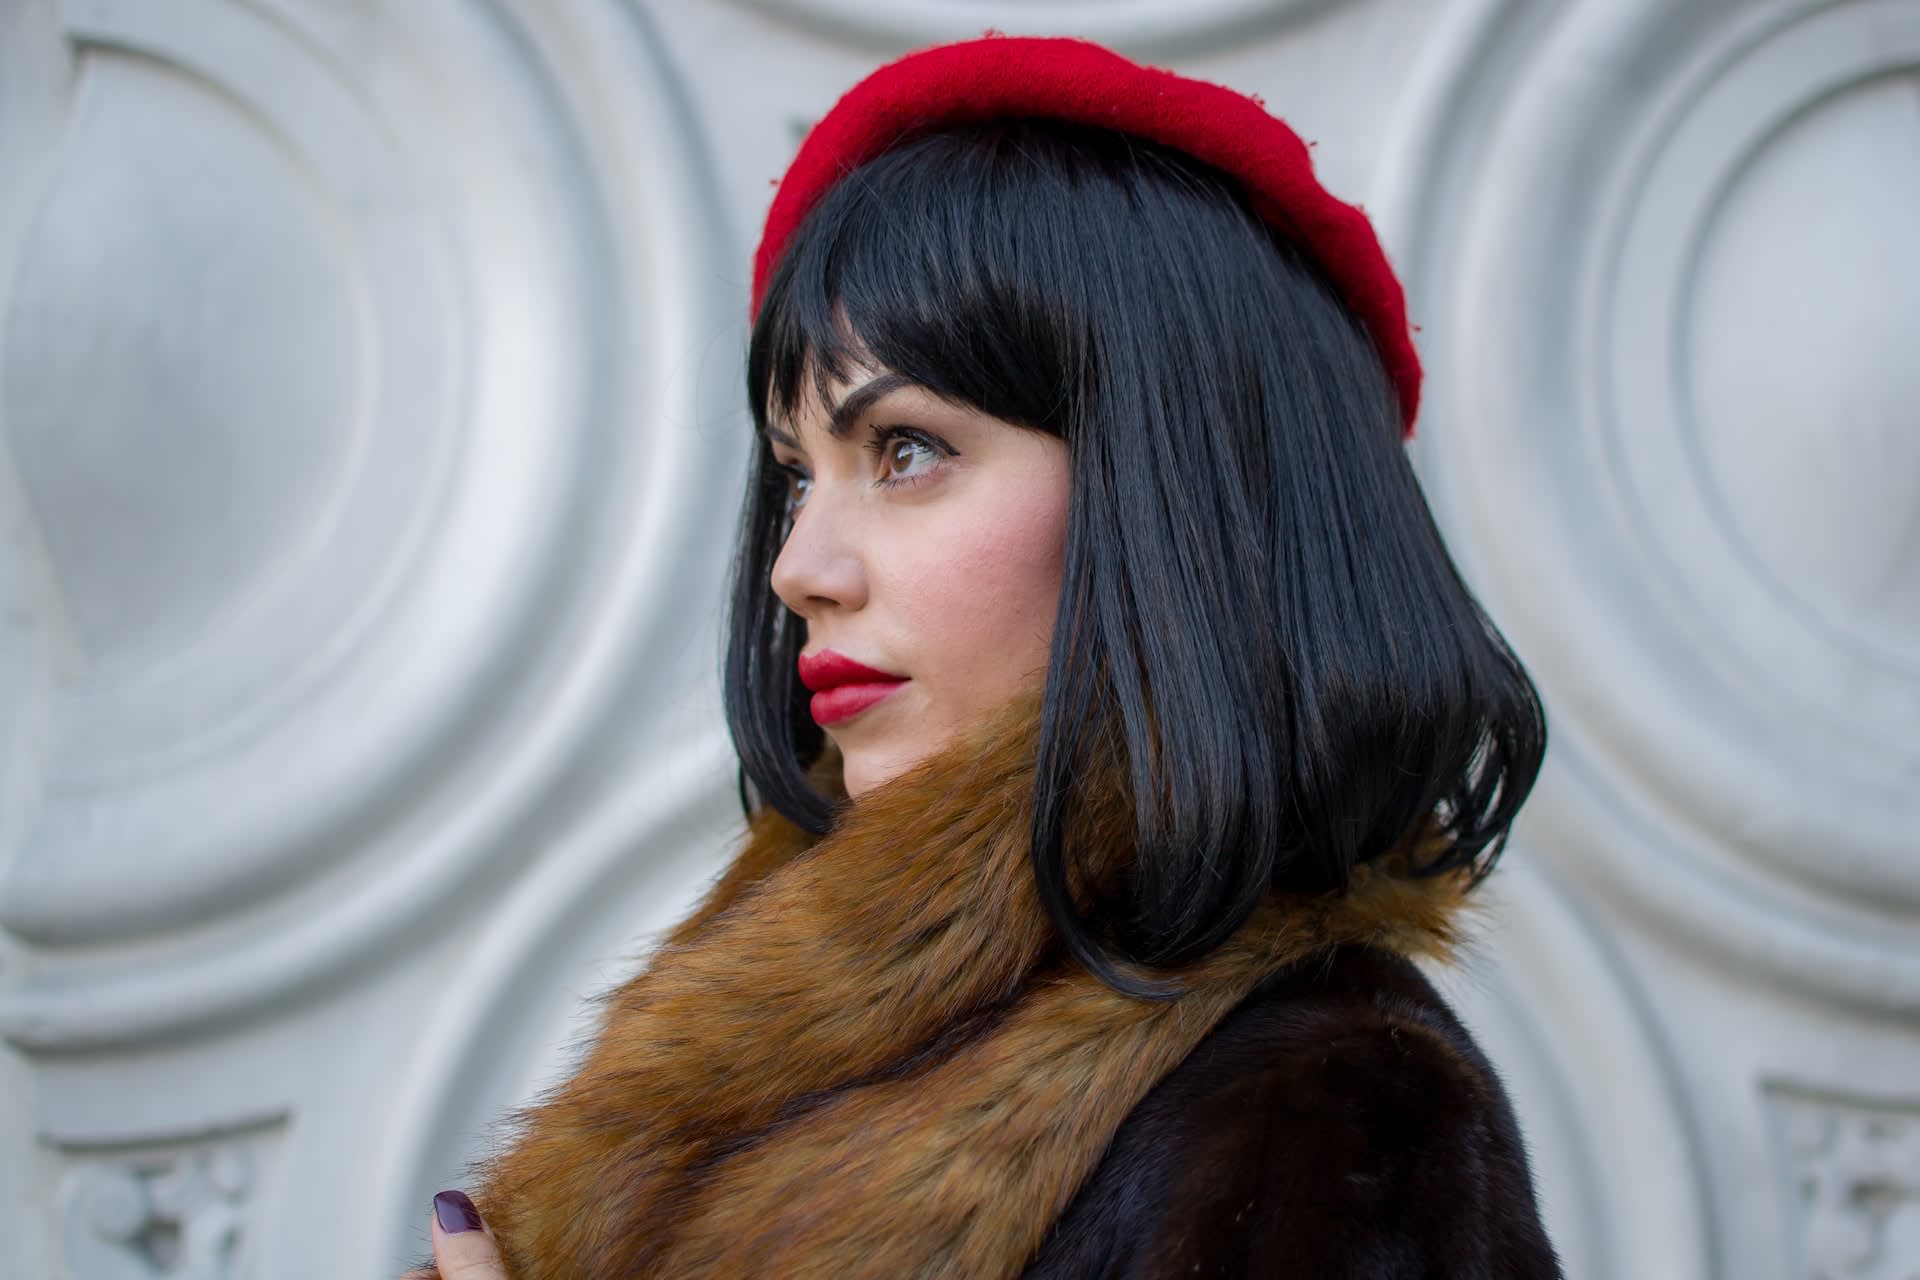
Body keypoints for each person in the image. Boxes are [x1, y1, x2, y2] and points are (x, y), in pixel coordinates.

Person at [410, 33, 1561, 1280]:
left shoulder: (1335, 1119)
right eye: (798, 474)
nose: (799, 565)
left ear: (1176, 497)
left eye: (905, 450)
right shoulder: (817, 1022)